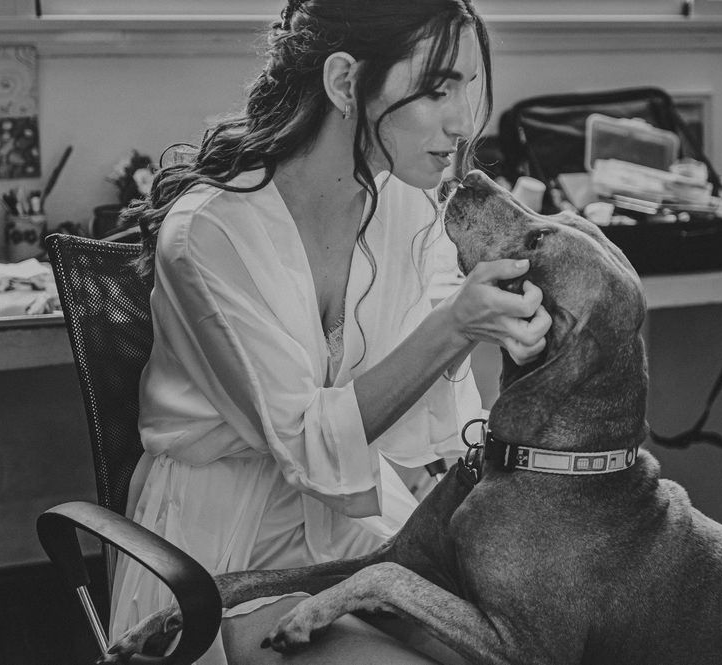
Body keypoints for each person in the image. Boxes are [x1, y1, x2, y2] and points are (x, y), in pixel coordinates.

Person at [110, 1, 551, 662]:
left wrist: (495, 327)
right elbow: (310, 448)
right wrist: (455, 325)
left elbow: (415, 432)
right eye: (436, 89)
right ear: (346, 82)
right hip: (228, 545)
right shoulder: (209, 234)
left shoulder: (409, 204)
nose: (461, 123)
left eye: (468, 87)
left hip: (353, 526)